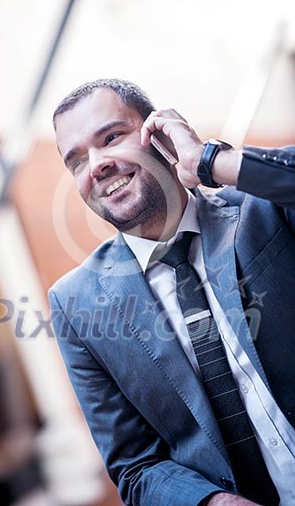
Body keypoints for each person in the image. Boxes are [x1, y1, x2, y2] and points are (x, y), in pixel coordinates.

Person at [49, 78, 295, 506]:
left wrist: (208, 160)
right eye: (76, 161)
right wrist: (212, 503)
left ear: (157, 132)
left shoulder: (264, 209)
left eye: (111, 137)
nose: (96, 165)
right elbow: (135, 466)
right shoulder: (75, 305)